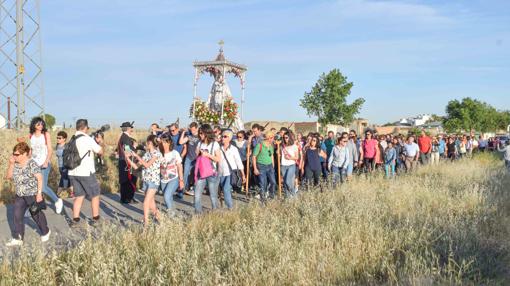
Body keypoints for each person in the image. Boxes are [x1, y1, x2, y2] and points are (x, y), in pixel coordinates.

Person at [5, 142, 51, 246]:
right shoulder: (15, 164)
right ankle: (18, 238)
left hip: (32, 194)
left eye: (17, 155)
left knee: (36, 214)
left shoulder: (31, 163)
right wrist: (11, 164)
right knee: (17, 215)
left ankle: (45, 231)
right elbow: (8, 176)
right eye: (14, 154)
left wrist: (39, 194)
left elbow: (39, 178)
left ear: (25, 154)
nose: (14, 156)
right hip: (20, 194)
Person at [68, 119, 104, 227]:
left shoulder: (72, 139)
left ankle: (75, 220)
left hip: (73, 172)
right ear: (85, 127)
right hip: (85, 172)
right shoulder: (87, 139)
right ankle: (96, 219)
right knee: (95, 195)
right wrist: (99, 143)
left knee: (79, 196)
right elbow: (100, 151)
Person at [28, 117, 64, 214]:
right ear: (34, 125)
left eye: (42, 124)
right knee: (34, 187)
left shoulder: (45, 134)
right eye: (38, 124)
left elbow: (50, 149)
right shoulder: (31, 135)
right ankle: (36, 206)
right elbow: (31, 150)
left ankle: (57, 200)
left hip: (44, 164)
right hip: (34, 164)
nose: (41, 126)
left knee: (43, 187)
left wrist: (46, 161)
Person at [126, 135, 163, 225]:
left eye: (147, 142)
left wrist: (137, 156)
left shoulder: (157, 154)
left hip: (154, 182)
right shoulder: (146, 154)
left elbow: (147, 165)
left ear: (150, 143)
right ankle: (160, 219)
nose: (146, 144)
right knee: (151, 204)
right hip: (146, 181)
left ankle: (146, 222)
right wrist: (127, 158)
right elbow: (136, 166)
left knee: (146, 202)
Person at [194, 124, 222, 214]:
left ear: (206, 133)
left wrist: (208, 155)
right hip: (200, 172)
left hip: (211, 172)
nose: (200, 135)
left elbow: (218, 159)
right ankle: (198, 213)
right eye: (199, 133)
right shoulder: (199, 143)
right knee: (197, 194)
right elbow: (196, 155)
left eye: (201, 133)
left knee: (213, 195)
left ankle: (215, 211)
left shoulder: (215, 144)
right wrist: (197, 152)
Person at [218, 130, 245, 209]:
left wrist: (243, 175)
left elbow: (239, 162)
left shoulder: (233, 149)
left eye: (225, 136)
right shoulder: (218, 148)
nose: (223, 138)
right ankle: (223, 206)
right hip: (220, 172)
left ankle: (231, 208)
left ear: (229, 138)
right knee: (221, 191)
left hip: (230, 173)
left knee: (226, 190)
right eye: (222, 136)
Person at [158, 134, 184, 215]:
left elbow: (180, 166)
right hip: (163, 180)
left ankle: (170, 216)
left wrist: (181, 180)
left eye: (166, 142)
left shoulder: (174, 153)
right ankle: (173, 213)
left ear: (169, 142)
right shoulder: (159, 153)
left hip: (174, 178)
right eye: (162, 142)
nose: (164, 144)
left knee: (166, 196)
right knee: (169, 198)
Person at [117, 122, 138, 204]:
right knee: (130, 180)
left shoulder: (123, 137)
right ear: (129, 129)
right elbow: (128, 151)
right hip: (128, 162)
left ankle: (123, 198)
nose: (131, 130)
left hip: (123, 161)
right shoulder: (126, 138)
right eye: (131, 128)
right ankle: (129, 198)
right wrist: (135, 147)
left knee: (124, 180)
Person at [253, 132, 277, 201]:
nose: (273, 139)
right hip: (261, 166)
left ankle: (271, 196)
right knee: (263, 183)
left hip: (270, 166)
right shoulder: (259, 145)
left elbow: (271, 155)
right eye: (272, 138)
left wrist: (273, 165)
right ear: (268, 138)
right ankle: (263, 200)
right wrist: (255, 168)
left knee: (273, 182)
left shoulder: (270, 146)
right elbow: (254, 157)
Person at [179, 122, 200, 196]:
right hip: (188, 157)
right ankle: (182, 190)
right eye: (191, 130)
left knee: (195, 175)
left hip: (196, 159)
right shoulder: (189, 135)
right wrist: (183, 132)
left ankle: (194, 189)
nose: (192, 131)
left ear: (197, 128)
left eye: (194, 130)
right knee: (185, 174)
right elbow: (181, 142)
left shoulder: (200, 136)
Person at [167, 123, 187, 199]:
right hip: (170, 159)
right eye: (170, 130)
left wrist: (181, 157)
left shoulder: (181, 136)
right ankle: (170, 191)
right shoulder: (169, 136)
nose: (172, 132)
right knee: (171, 175)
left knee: (180, 175)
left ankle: (180, 192)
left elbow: (185, 148)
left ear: (177, 129)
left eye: (173, 130)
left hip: (178, 158)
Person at [280, 131, 299, 197]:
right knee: (285, 183)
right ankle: (288, 198)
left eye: (286, 137)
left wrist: (290, 158)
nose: (285, 139)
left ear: (290, 137)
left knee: (288, 181)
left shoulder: (294, 146)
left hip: (291, 165)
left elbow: (297, 157)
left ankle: (294, 195)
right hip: (283, 165)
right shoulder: (282, 146)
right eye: (284, 138)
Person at [55, 131, 72, 197]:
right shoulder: (57, 146)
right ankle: (71, 192)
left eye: (60, 138)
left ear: (64, 139)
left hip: (65, 166)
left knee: (64, 179)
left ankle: (58, 194)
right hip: (60, 166)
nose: (58, 139)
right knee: (65, 178)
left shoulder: (67, 146)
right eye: (57, 138)